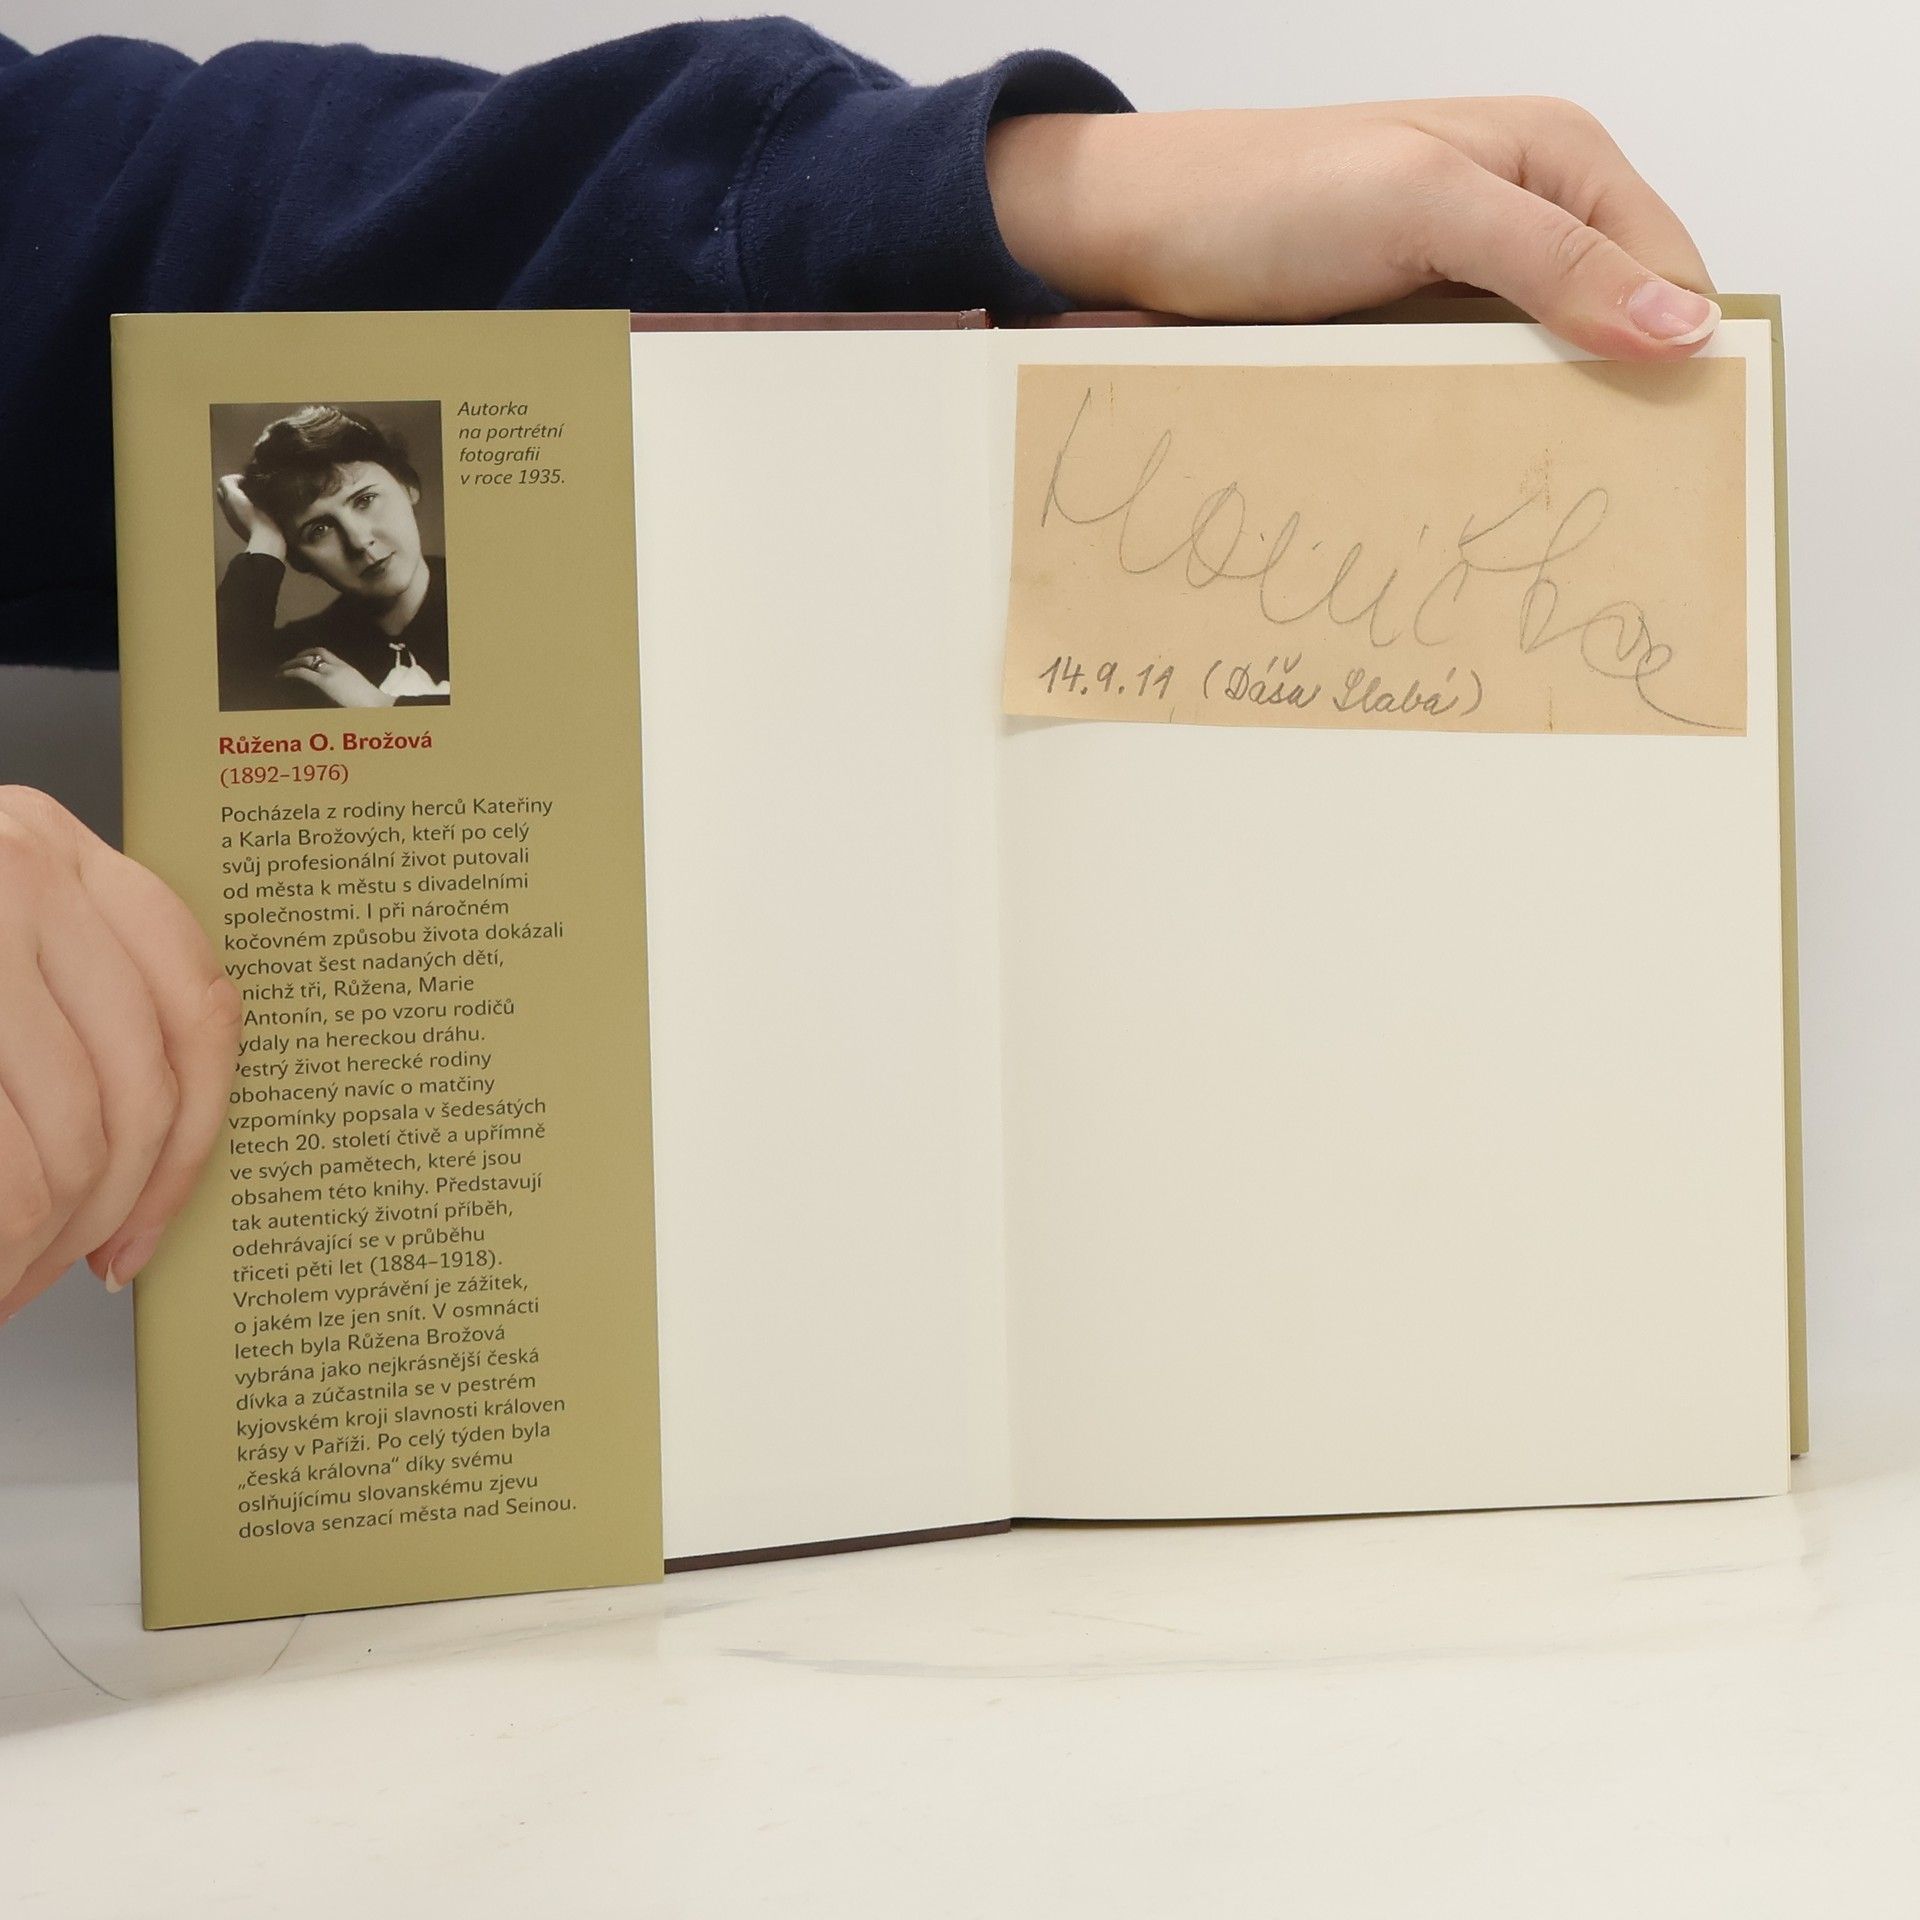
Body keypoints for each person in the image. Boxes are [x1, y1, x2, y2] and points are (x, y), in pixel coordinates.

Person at [0, 21, 1720, 1329]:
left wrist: (1017, 193)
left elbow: (148, 235)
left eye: (368, 497)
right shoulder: (313, 655)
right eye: (326, 524)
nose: (356, 532)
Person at [214, 405, 452, 711]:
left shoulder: (497, 600)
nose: (358, 540)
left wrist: (380, 707)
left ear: (409, 487)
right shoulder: (300, 659)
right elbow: (215, 697)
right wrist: (265, 542)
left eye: (365, 500)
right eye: (319, 530)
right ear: (299, 558)